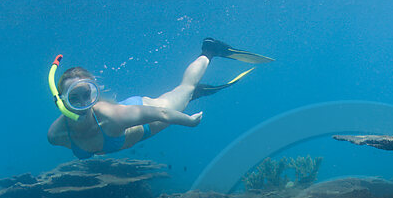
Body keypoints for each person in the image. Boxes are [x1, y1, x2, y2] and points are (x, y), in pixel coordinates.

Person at [46, 38, 272, 158]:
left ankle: (209, 51)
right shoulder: (56, 136)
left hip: (146, 119)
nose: (83, 105)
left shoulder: (112, 116)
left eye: (88, 95)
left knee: (185, 88)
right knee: (185, 93)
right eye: (75, 99)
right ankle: (195, 92)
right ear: (61, 100)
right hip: (132, 119)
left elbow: (163, 114)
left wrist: (190, 121)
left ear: (96, 94)